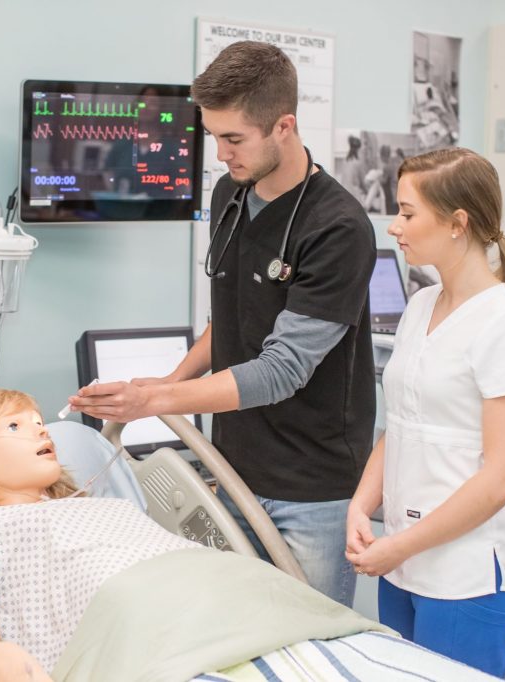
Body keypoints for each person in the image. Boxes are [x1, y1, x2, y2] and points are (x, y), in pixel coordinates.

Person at [67, 41, 377, 608]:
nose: (220, 154)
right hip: (233, 464)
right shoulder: (230, 194)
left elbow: (282, 370)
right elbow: (229, 320)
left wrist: (161, 400)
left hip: (311, 486)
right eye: (213, 136)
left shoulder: (338, 227)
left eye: (233, 139)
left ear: (284, 126)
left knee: (304, 641)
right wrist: (163, 387)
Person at [345, 147, 505, 678]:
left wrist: (399, 546)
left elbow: (503, 478)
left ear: (458, 222)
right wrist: (361, 505)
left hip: (467, 575)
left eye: (408, 213)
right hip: (403, 564)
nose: (394, 226)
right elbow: (401, 425)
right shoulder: (420, 307)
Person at [0, 388, 199, 680]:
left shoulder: (105, 507)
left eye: (40, 423)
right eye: (14, 426)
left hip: (203, 599)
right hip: (151, 645)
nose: (42, 433)